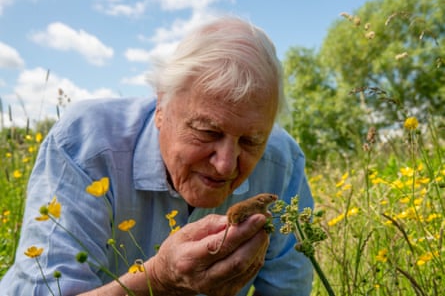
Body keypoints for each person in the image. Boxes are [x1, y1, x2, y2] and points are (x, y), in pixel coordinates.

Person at [0, 16, 314, 296]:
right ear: (161, 106)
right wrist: (159, 281)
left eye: (251, 141)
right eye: (207, 132)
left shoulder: (282, 161)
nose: (226, 165)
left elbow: (288, 287)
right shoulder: (85, 144)